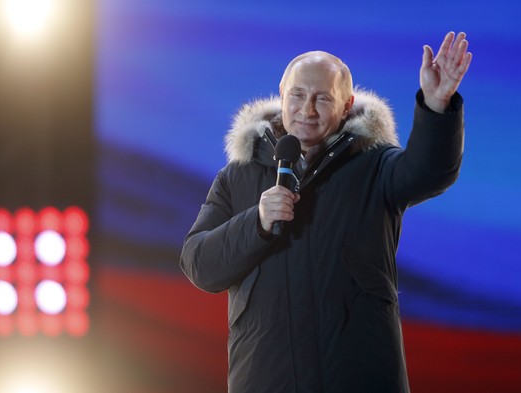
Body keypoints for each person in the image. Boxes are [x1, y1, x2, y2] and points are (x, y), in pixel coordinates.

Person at [180, 32, 472, 393]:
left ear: (347, 105)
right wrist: (255, 222)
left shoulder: (375, 166)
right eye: (298, 96)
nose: (307, 110)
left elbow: (431, 171)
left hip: (360, 378)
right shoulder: (237, 176)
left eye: (322, 99)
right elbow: (199, 264)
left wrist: (436, 105)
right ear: (282, 95)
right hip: (267, 379)